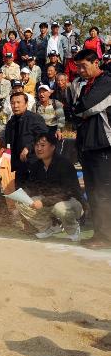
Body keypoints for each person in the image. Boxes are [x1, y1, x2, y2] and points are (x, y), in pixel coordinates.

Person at [70, 49, 111, 248]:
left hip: (104, 146)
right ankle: (99, 234)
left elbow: (85, 107)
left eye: (84, 66)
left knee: (103, 193)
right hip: (88, 146)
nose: (80, 70)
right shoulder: (87, 85)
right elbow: (75, 111)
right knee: (94, 192)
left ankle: (105, 237)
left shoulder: (107, 82)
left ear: (97, 63)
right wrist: (79, 110)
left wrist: (80, 110)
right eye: (77, 67)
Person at [16, 132, 83, 240]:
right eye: (37, 145)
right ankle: (49, 228)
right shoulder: (36, 166)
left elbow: (68, 193)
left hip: (71, 202)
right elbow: (33, 186)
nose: (39, 148)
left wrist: (43, 202)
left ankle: (73, 228)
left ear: (52, 147)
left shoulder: (64, 164)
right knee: (22, 202)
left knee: (60, 208)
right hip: (48, 201)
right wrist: (23, 194)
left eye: (43, 145)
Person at [4, 92, 47, 177]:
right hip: (16, 164)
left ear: (26, 104)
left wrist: (28, 148)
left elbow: (44, 137)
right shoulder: (10, 122)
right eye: (12, 103)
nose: (15, 105)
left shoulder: (35, 118)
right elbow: (8, 143)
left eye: (18, 102)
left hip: (34, 162)